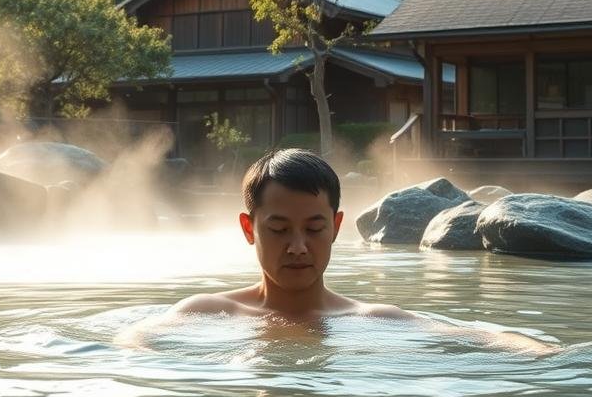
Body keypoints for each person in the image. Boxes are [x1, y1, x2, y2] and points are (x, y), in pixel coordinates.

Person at [123, 148, 553, 353]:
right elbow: (134, 341)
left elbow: (487, 340)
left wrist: (547, 354)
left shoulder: (375, 320)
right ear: (248, 229)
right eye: (278, 229)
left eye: (313, 228)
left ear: (337, 228)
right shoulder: (207, 311)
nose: (297, 247)